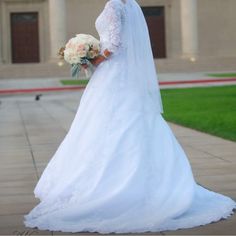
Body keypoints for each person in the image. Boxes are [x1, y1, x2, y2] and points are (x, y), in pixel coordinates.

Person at [24, 0, 236, 233]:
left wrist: (94, 58)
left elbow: (114, 42)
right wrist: (88, 52)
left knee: (108, 122)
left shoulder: (115, 4)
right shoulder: (127, 4)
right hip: (119, 72)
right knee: (127, 120)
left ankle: (110, 187)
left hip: (112, 70)